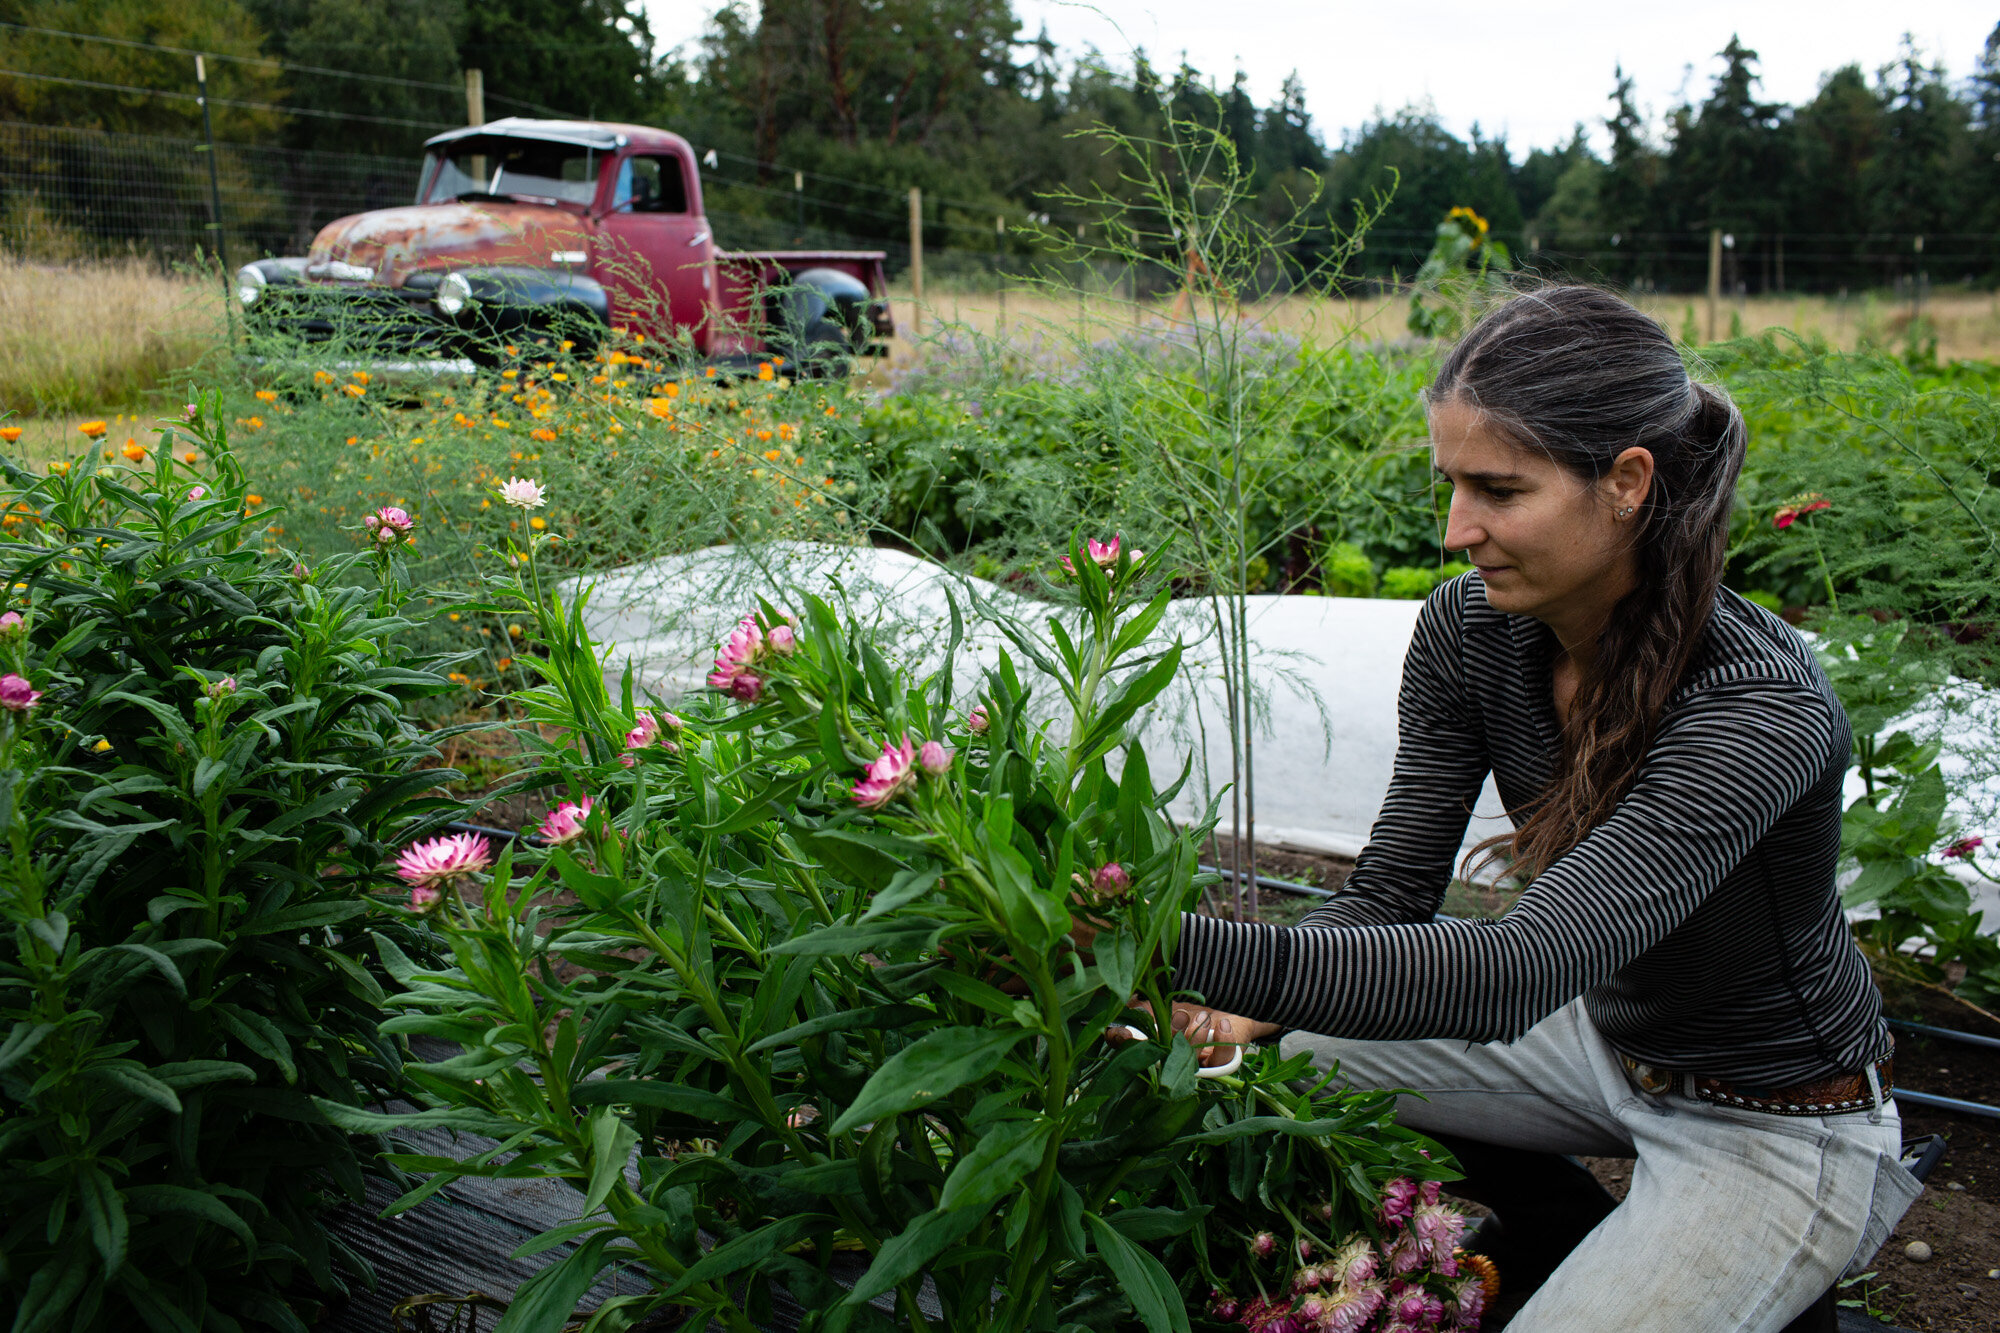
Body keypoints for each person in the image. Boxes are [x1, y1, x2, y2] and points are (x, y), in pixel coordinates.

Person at [1163, 286, 1921, 1332]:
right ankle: (1565, 1231)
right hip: (1599, 1044)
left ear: (1624, 482)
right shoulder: (1469, 634)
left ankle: (1757, 1279)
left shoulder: (1756, 705)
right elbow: (1385, 896)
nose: (1453, 528)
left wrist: (1159, 947)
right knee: (1277, 1069)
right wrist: (1245, 1005)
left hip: (1773, 1117)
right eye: (1450, 483)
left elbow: (1512, 972)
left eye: (1498, 490)